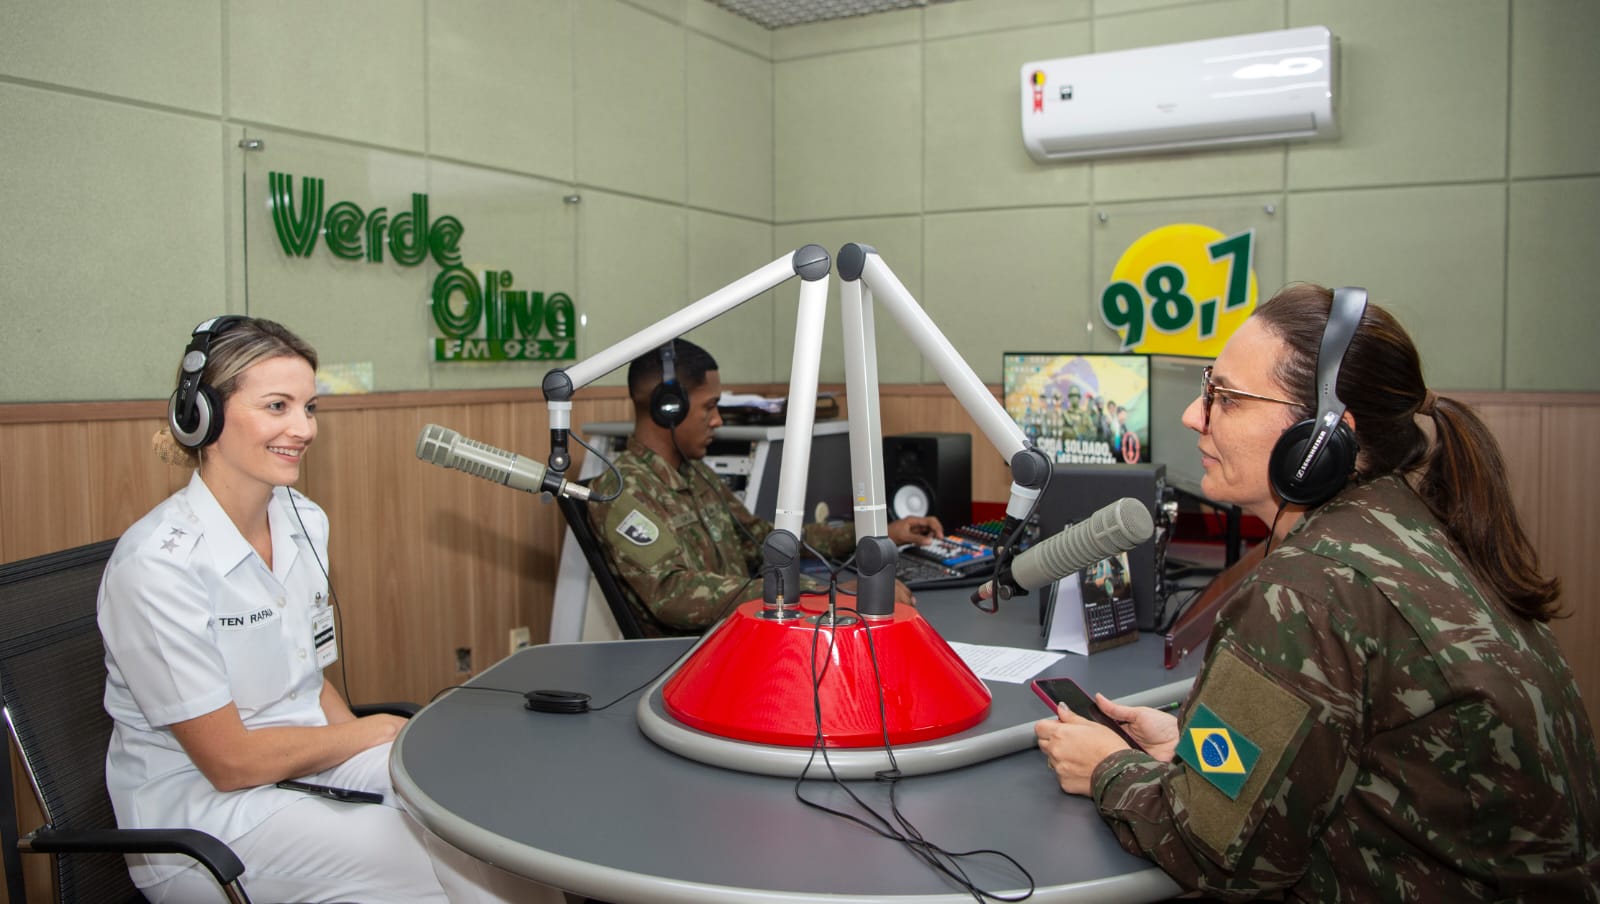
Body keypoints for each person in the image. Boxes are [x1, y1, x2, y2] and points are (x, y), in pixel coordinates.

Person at [1033, 284, 1600, 899]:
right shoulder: (1415, 527)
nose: (1194, 415)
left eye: (1227, 398)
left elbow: (1217, 852)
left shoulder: (1309, 590)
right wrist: (1187, 745)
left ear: (1321, 440)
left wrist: (1108, 767)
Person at [98, 316, 562, 903]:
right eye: (278, 406)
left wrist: (377, 753)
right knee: (453, 859)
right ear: (203, 417)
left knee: (486, 805)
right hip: (203, 822)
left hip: (304, 766)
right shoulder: (157, 566)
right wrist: (372, 733)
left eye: (310, 407)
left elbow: (308, 681)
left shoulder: (303, 520)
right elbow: (229, 762)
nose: (304, 428)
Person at [587, 338, 944, 636]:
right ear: (669, 408)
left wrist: (876, 535)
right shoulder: (621, 492)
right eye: (709, 407)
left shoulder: (695, 475)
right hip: (694, 657)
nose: (718, 420)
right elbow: (673, 595)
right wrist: (822, 592)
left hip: (745, 635)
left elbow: (763, 539)